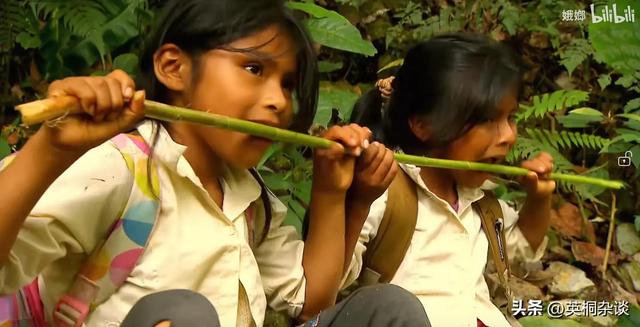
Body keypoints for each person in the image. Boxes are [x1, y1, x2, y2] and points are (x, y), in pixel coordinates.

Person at [0, 0, 429, 326]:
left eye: (288, 84)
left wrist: (339, 196)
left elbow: (311, 301)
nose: (279, 101)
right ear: (174, 68)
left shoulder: (247, 196)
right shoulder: (119, 169)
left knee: (387, 309)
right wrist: (51, 150)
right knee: (183, 312)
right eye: (253, 69)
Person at [345, 33, 555, 327]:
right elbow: (334, 282)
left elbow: (520, 249)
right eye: (486, 119)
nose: (508, 136)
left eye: (510, 118)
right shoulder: (382, 193)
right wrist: (354, 200)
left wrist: (539, 199)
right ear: (423, 124)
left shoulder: (481, 203)